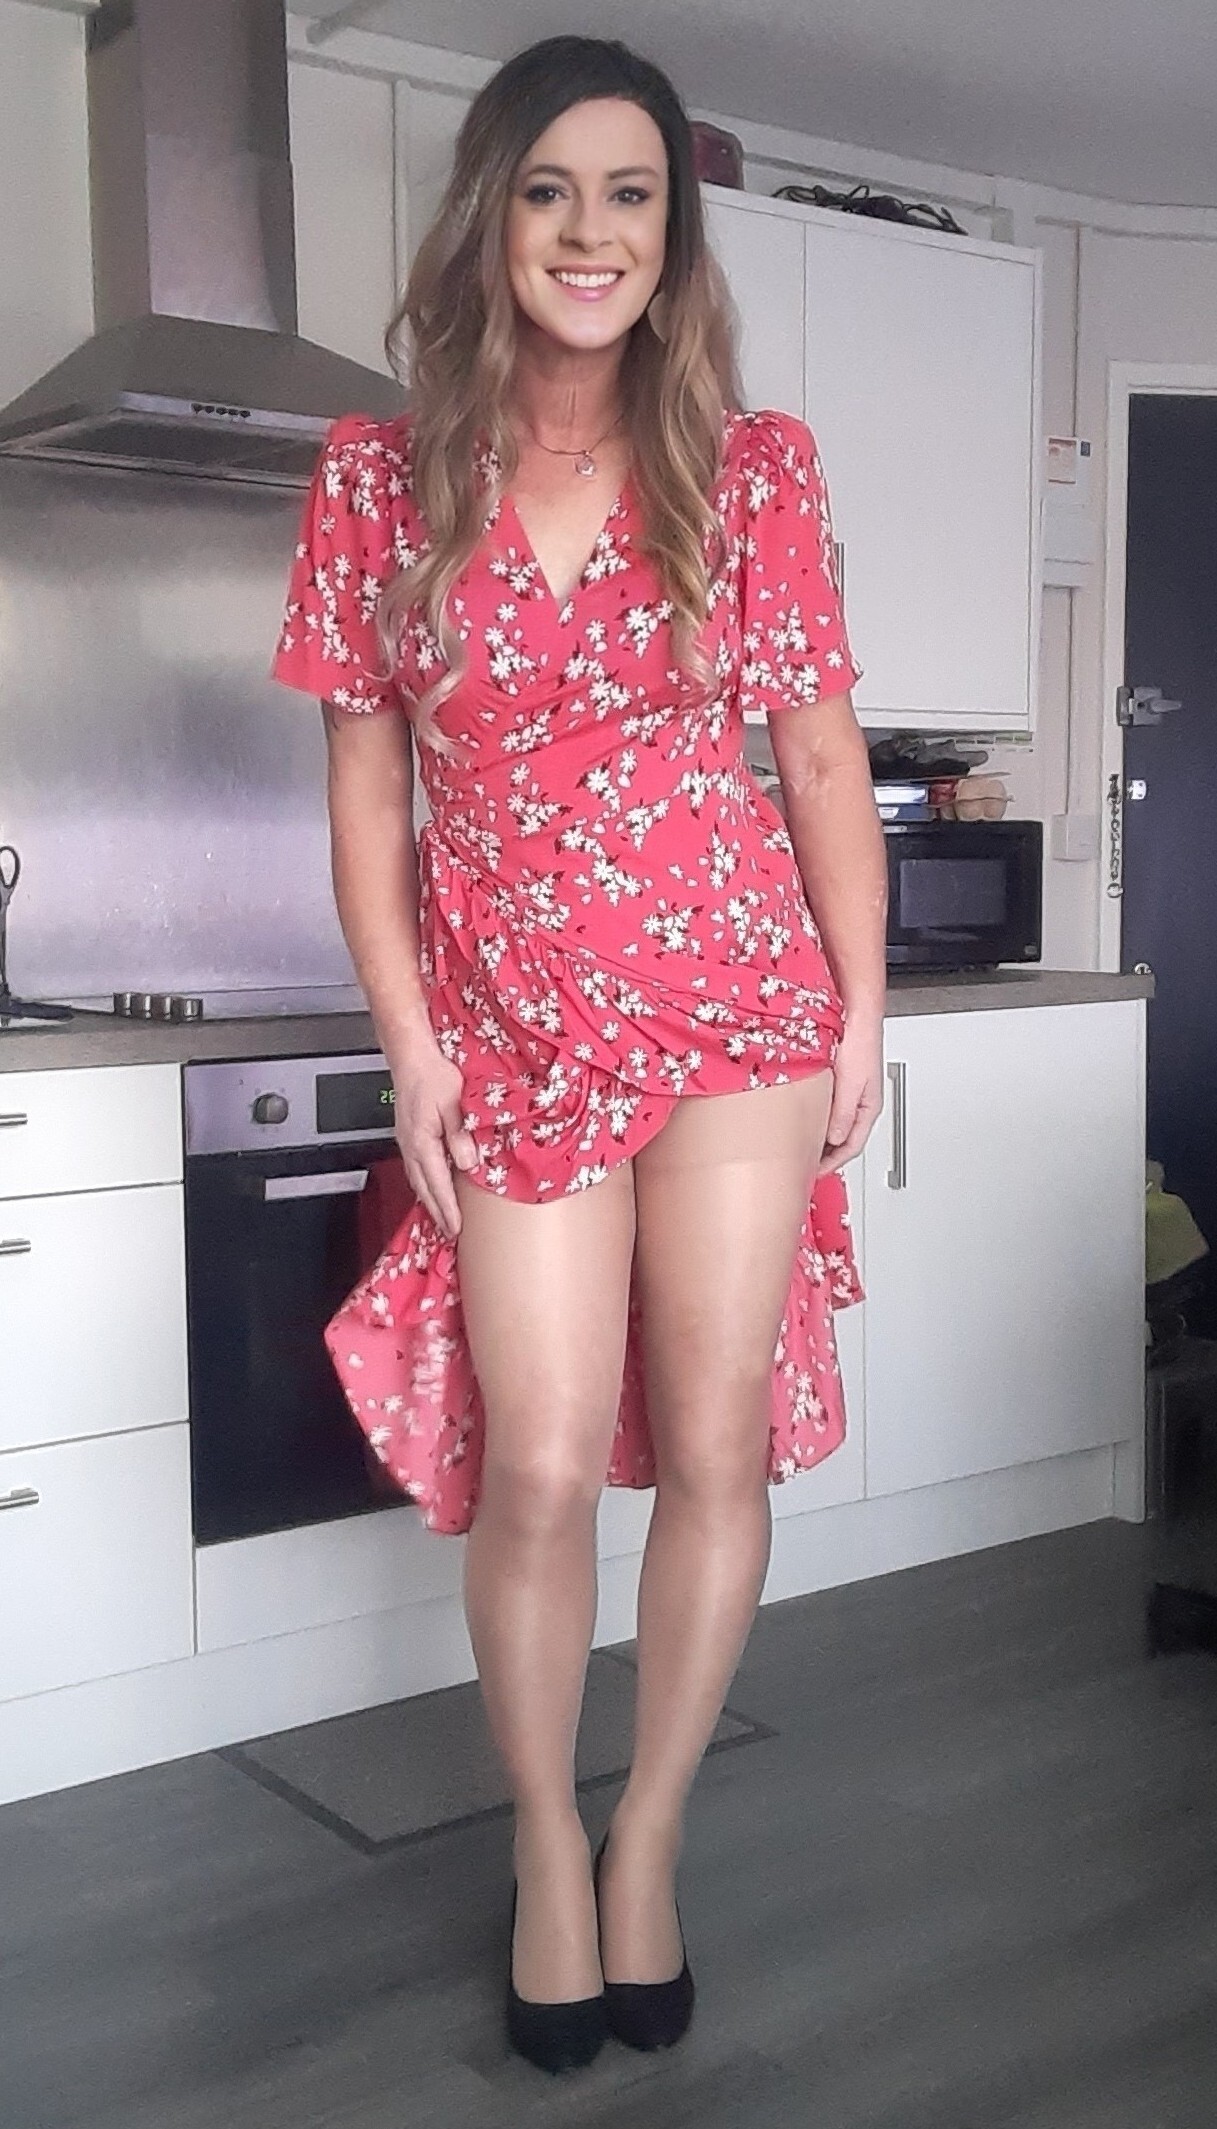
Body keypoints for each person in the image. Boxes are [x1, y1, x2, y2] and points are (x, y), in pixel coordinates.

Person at [272, 33, 887, 2075]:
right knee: (536, 1464)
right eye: (550, 189)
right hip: (512, 1035)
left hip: (736, 1017)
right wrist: (411, 1043)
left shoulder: (754, 465)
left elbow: (817, 758)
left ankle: (651, 1837)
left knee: (714, 1450)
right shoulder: (377, 481)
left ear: (672, 233)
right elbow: (368, 802)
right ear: (492, 217)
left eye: (632, 194)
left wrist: (861, 1007)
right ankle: (546, 1832)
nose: (591, 232)